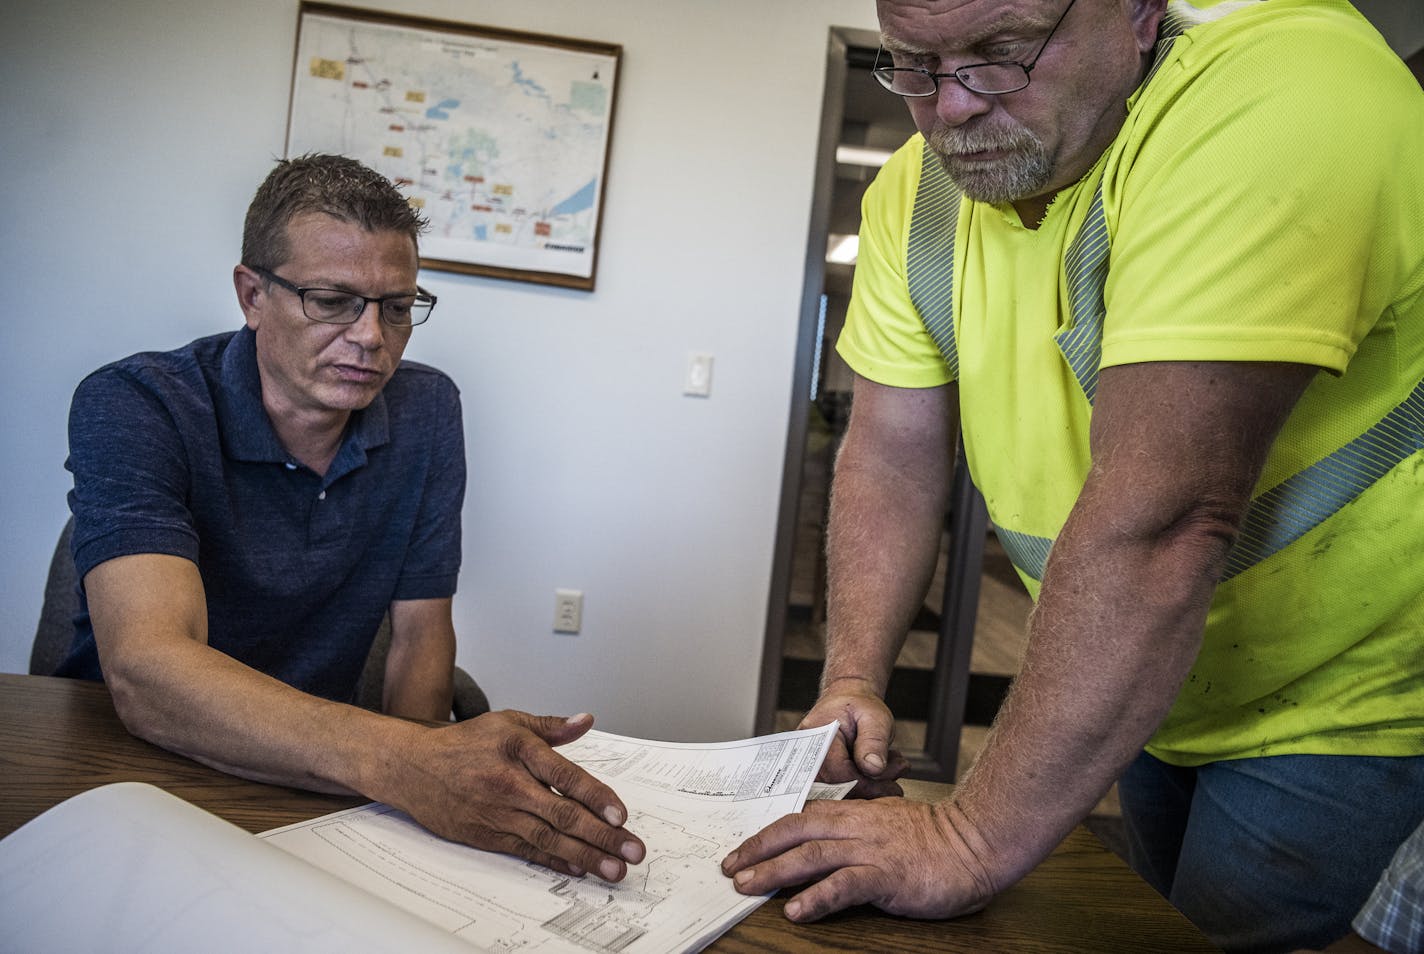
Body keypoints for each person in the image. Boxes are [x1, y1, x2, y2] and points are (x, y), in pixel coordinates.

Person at [721, 1, 1424, 950]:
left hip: (1351, 690)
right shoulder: (913, 197)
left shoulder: (1285, 95)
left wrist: (965, 838)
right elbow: (890, 456)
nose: (951, 108)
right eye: (913, 65)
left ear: (1136, 12)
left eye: (1000, 56)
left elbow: (1166, 524)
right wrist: (852, 677)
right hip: (1158, 677)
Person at [56, 154, 645, 883]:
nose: (372, 336)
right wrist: (410, 763)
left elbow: (420, 633)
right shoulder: (136, 403)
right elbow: (149, 672)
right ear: (251, 294)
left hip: (322, 780)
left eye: (397, 307)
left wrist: (430, 809)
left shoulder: (428, 410)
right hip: (125, 772)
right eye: (332, 300)